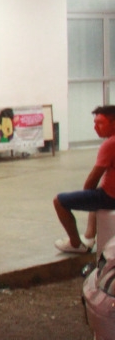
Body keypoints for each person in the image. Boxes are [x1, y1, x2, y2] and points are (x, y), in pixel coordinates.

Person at [53, 105, 115, 254]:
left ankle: (75, 244)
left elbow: (94, 177)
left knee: (59, 201)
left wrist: (86, 195)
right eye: (94, 124)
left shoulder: (110, 144)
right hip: (108, 193)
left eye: (100, 123)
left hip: (111, 197)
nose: (95, 128)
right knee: (96, 193)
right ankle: (89, 236)